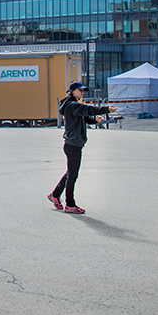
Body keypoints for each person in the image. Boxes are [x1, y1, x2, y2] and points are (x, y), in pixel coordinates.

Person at [47, 82, 116, 215]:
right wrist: (107, 109)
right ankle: (70, 205)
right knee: (72, 175)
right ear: (72, 91)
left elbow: (85, 118)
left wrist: (95, 119)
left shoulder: (71, 105)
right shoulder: (72, 105)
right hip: (73, 145)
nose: (82, 92)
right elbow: (87, 109)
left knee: (70, 173)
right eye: (80, 90)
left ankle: (54, 195)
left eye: (83, 91)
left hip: (73, 143)